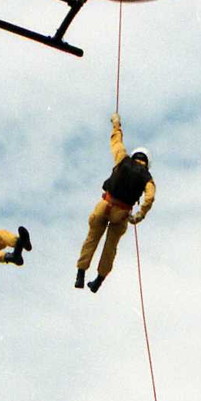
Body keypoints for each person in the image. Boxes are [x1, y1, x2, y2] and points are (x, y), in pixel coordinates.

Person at [75, 114, 155, 293]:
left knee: (92, 237)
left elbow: (116, 140)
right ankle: (98, 280)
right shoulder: (147, 178)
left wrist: (116, 123)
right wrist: (140, 214)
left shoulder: (122, 158)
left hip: (105, 205)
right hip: (122, 213)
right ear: (147, 163)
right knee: (110, 246)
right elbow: (150, 197)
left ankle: (80, 273)